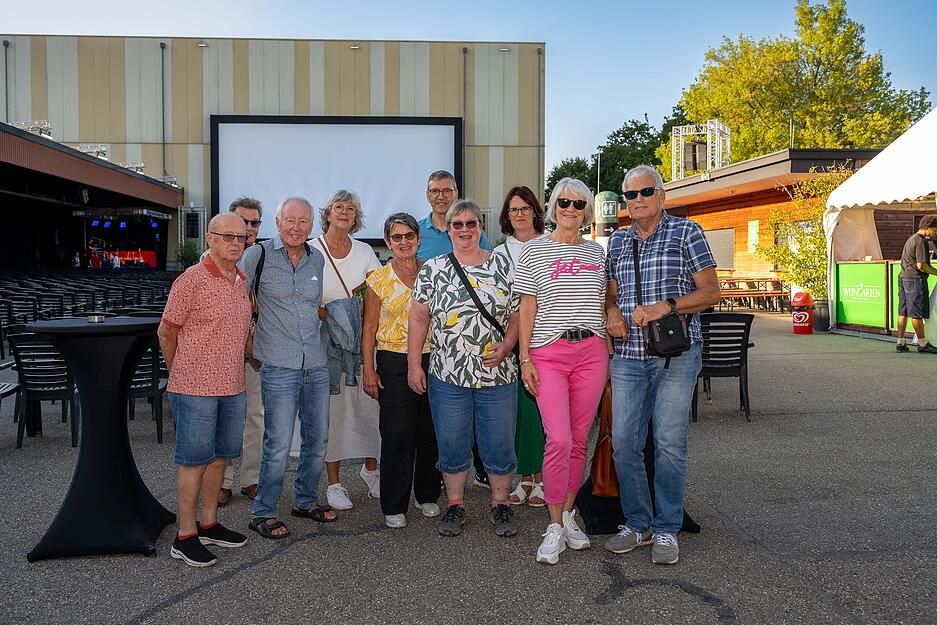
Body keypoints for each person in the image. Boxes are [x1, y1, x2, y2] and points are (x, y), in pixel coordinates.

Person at [603, 165, 720, 565]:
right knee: (623, 445)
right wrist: (613, 313)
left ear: (661, 195)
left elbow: (711, 292)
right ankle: (637, 523)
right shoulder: (617, 241)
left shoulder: (688, 233)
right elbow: (610, 296)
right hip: (628, 357)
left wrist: (665, 307)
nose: (636, 200)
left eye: (644, 192)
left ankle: (667, 528)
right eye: (629, 195)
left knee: (669, 444)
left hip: (676, 355)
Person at [409, 199, 520, 538]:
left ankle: (500, 504)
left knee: (499, 443)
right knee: (453, 442)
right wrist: (414, 365)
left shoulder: (504, 265)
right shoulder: (433, 268)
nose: (465, 230)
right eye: (457, 225)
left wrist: (510, 344)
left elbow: (517, 314)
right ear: (448, 229)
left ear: (480, 227)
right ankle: (455, 504)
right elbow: (417, 318)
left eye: (471, 224)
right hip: (448, 375)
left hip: (498, 375)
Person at [514, 178, 608, 565]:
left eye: (579, 204)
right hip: (548, 353)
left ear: (586, 211)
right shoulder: (533, 252)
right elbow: (526, 308)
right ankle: (553, 524)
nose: (571, 209)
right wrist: (524, 359)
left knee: (580, 439)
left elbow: (605, 304)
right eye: (564, 202)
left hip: (592, 352)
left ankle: (568, 515)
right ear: (553, 207)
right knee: (559, 439)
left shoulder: (598, 254)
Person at [157, 213, 252, 567]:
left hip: (232, 385)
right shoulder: (191, 279)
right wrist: (180, 372)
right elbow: (166, 332)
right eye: (227, 236)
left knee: (219, 457)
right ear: (209, 239)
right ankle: (185, 536)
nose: (235, 243)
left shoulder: (241, 279)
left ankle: (209, 522)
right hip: (194, 386)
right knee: (193, 461)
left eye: (241, 238)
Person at [241, 197, 337, 539]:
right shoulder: (259, 255)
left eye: (303, 222)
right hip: (278, 365)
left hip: (315, 362)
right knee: (279, 442)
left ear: (311, 227)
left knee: (317, 438)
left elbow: (314, 310)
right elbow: (237, 299)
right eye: (290, 220)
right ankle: (263, 510)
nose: (296, 228)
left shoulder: (317, 259)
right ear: (278, 223)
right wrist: (248, 344)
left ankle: (305, 500)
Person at [299, 190, 384, 512]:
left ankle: (371, 470)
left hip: (361, 339)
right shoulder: (312, 250)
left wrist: (358, 308)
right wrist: (330, 313)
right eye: (339, 207)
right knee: (332, 409)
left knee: (368, 404)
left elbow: (375, 289)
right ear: (328, 213)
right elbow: (303, 296)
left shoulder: (363, 251)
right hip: (324, 340)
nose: (345, 212)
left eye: (351, 208)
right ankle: (334, 483)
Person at [362, 213, 442, 528]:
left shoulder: (433, 273)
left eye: (409, 235)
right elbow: (368, 328)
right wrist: (368, 368)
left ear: (418, 239)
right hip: (393, 360)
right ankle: (394, 503)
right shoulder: (378, 280)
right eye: (397, 237)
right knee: (397, 432)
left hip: (432, 359)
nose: (404, 242)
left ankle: (428, 494)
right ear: (388, 242)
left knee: (430, 431)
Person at [415, 169, 492, 488]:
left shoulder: (471, 229)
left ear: (456, 192)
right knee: (441, 417)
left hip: (471, 337)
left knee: (474, 409)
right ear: (427, 194)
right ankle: (440, 480)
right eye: (435, 191)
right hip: (431, 337)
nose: (441, 196)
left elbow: (487, 272)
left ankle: (480, 468)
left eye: (447, 190)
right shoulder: (417, 232)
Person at [492, 186, 547, 508]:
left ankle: (542, 478)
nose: (520, 214)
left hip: (547, 337)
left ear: (535, 211)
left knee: (541, 410)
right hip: (512, 338)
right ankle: (524, 478)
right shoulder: (500, 253)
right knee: (517, 412)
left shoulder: (551, 243)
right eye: (514, 209)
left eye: (525, 208)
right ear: (507, 216)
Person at [219, 197, 267, 506]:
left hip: (256, 349)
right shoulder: (209, 261)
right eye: (242, 221)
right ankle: (221, 482)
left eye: (254, 223)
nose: (248, 228)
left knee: (256, 415)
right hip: (223, 351)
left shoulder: (263, 257)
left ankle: (251, 479)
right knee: (225, 417)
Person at [896, 215, 937, 353]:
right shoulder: (921, 241)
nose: (936, 233)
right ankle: (922, 344)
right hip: (915, 279)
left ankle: (900, 342)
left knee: (903, 311)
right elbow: (922, 265)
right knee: (916, 314)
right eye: (935, 229)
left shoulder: (911, 238)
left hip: (903, 277)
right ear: (929, 227)